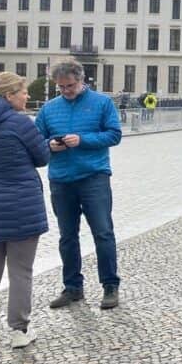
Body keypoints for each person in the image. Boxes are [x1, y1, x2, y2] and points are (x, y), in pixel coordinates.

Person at [35, 59, 123, 309]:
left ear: (81, 80)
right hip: (61, 180)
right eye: (61, 87)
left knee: (103, 233)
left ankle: (110, 285)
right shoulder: (49, 109)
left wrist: (82, 140)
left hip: (94, 177)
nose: (66, 91)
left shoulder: (102, 103)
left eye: (70, 86)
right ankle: (72, 287)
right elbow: (36, 141)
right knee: (67, 236)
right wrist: (49, 146)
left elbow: (114, 135)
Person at [0, 73, 50, 349]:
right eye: (23, 92)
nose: (26, 96)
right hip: (22, 207)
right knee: (20, 271)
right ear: (9, 95)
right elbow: (42, 157)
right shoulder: (20, 123)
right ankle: (19, 330)